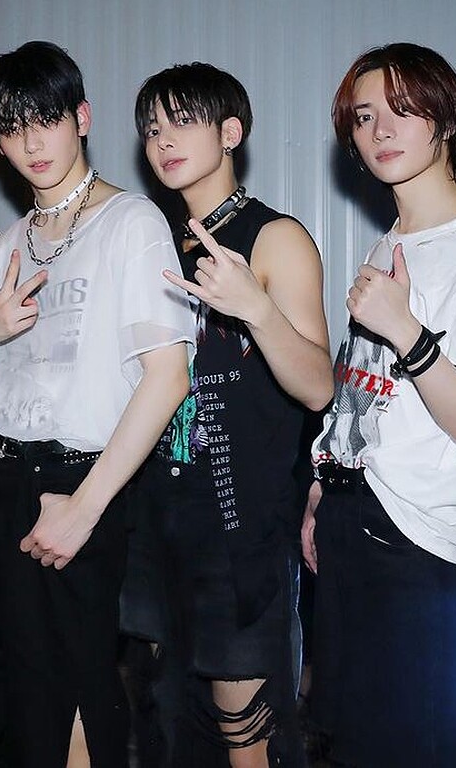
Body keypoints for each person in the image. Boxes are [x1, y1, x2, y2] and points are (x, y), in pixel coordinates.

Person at [0, 40, 196, 767]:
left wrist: (85, 507)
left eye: (46, 120)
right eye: (12, 128)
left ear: (81, 118)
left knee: (73, 694)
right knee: (1, 702)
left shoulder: (131, 222)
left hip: (74, 482)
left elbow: (168, 378)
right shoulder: (4, 247)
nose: (31, 143)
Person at [301, 43, 456, 767]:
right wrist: (324, 483)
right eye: (364, 116)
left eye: (402, 110)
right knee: (352, 745)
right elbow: (366, 389)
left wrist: (407, 330)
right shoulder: (393, 243)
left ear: (446, 118)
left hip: (423, 547)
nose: (380, 130)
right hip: (355, 522)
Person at [121, 63, 333, 767]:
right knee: (165, 724)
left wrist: (257, 309)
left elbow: (318, 387)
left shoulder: (275, 238)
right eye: (152, 128)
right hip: (152, 519)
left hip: (239, 530)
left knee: (249, 736)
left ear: (231, 132)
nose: (163, 140)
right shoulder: (149, 239)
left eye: (183, 121)